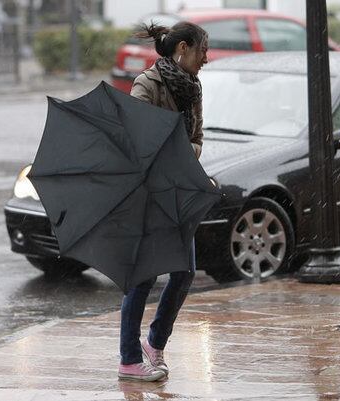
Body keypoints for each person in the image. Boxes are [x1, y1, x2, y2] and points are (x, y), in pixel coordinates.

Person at [118, 21, 208, 382]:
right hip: (149, 192)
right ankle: (128, 359)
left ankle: (154, 344)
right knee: (143, 276)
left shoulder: (193, 88)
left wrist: (187, 153)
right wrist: (174, 152)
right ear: (183, 48)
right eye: (203, 50)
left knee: (184, 271)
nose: (207, 58)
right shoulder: (147, 84)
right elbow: (137, 141)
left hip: (177, 191)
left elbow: (197, 137)